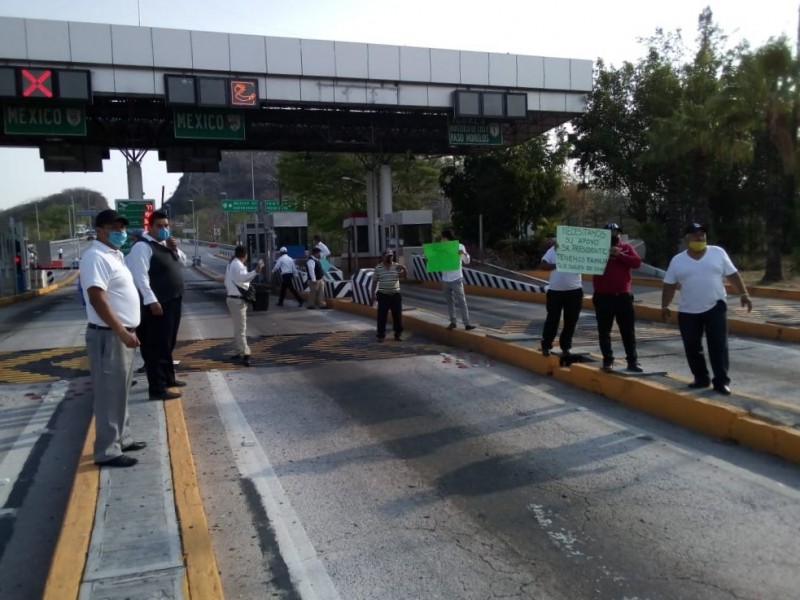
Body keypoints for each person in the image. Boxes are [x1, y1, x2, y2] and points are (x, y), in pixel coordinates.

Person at [80, 209, 145, 468]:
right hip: (109, 336)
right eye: (114, 228)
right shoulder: (95, 257)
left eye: (122, 228)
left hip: (123, 334)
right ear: (99, 230)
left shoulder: (115, 256)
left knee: (121, 391)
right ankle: (107, 451)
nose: (120, 233)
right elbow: (98, 297)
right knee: (109, 394)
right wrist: (120, 330)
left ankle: (122, 438)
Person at [661, 223, 753, 395]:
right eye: (695, 234)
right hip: (688, 310)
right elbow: (669, 285)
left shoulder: (717, 253)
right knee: (692, 346)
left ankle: (721, 381)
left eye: (702, 234)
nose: (700, 237)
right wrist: (665, 305)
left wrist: (744, 294)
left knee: (718, 345)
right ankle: (701, 378)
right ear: (686, 238)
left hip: (715, 306)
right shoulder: (678, 260)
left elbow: (732, 274)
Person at [126, 210, 188, 401]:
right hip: (158, 304)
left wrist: (174, 248)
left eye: (166, 226)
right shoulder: (142, 247)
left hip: (173, 301)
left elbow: (184, 262)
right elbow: (141, 277)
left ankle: (169, 378)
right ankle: (157, 387)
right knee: (156, 346)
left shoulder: (165, 245)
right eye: (159, 226)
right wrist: (151, 300)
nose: (163, 229)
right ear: (150, 227)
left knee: (168, 343)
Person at [592, 223, 643, 372]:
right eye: (610, 233)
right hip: (603, 297)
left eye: (616, 232)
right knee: (604, 331)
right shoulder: (596, 249)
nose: (614, 235)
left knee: (628, 331)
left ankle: (632, 361)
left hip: (623, 297)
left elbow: (637, 263)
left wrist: (619, 254)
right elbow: (579, 260)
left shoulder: (627, 248)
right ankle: (608, 361)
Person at [538, 243, 583, 356]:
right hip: (555, 292)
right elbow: (543, 265)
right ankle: (546, 345)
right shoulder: (553, 249)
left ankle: (566, 346)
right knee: (552, 319)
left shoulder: (580, 250)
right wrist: (558, 264)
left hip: (574, 291)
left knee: (571, 321)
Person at [225, 246, 264, 367]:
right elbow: (243, 278)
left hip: (232, 298)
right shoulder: (238, 265)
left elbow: (227, 281)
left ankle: (238, 349)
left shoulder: (231, 264)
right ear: (245, 255)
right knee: (241, 328)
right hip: (237, 300)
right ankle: (246, 353)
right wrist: (256, 271)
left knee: (238, 327)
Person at [440, 229, 475, 331]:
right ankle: (453, 322)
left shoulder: (459, 246)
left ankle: (467, 323)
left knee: (462, 301)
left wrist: (464, 254)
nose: (441, 240)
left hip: (456, 279)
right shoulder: (440, 249)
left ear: (446, 238)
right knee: (449, 302)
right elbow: (436, 261)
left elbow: (467, 261)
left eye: (442, 238)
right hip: (445, 279)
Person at [370, 249, 408, 342]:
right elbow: (374, 281)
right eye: (388, 256)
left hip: (395, 295)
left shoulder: (396, 266)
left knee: (397, 316)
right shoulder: (378, 268)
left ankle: (398, 334)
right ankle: (380, 335)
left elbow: (405, 277)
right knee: (382, 316)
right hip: (383, 295)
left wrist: (404, 269)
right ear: (383, 257)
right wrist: (372, 294)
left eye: (391, 256)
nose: (390, 258)